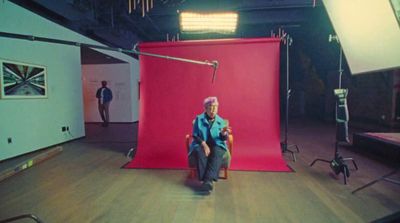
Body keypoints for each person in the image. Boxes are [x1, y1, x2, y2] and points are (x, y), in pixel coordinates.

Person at [189, 96, 232, 192]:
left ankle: (207, 181)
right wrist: (204, 145)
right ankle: (207, 181)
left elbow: (223, 138)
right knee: (200, 152)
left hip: (217, 144)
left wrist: (223, 134)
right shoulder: (198, 119)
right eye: (210, 107)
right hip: (201, 143)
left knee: (217, 152)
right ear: (205, 108)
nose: (213, 110)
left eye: (215, 107)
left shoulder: (221, 121)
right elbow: (195, 135)